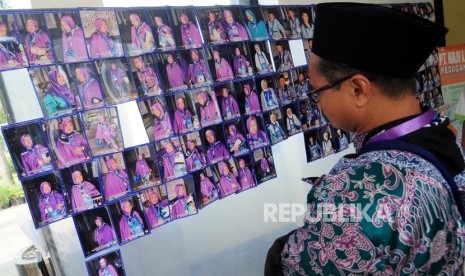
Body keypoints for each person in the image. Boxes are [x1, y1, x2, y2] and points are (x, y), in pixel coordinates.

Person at [266, 3, 465, 275]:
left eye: (318, 91)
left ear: (358, 89)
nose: (317, 103)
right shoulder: (446, 141)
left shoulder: (354, 196)